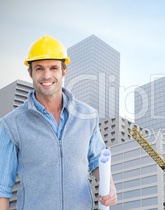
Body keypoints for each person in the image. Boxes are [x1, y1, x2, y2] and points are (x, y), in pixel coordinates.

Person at [0, 35, 117, 209]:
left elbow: (97, 160)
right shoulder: (11, 124)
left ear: (64, 71)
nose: (46, 76)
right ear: (30, 72)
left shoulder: (87, 116)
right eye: (39, 68)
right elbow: (3, 188)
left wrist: (110, 186)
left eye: (53, 68)